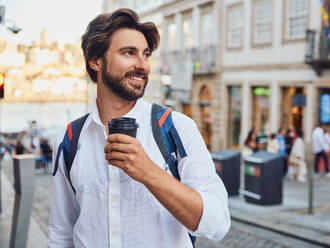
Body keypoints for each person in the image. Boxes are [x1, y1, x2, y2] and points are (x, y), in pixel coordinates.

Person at [48, 9, 230, 248]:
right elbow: (61, 234)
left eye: (145, 55)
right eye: (128, 53)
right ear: (96, 60)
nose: (143, 65)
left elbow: (217, 224)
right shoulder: (70, 138)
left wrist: (149, 172)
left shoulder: (177, 127)